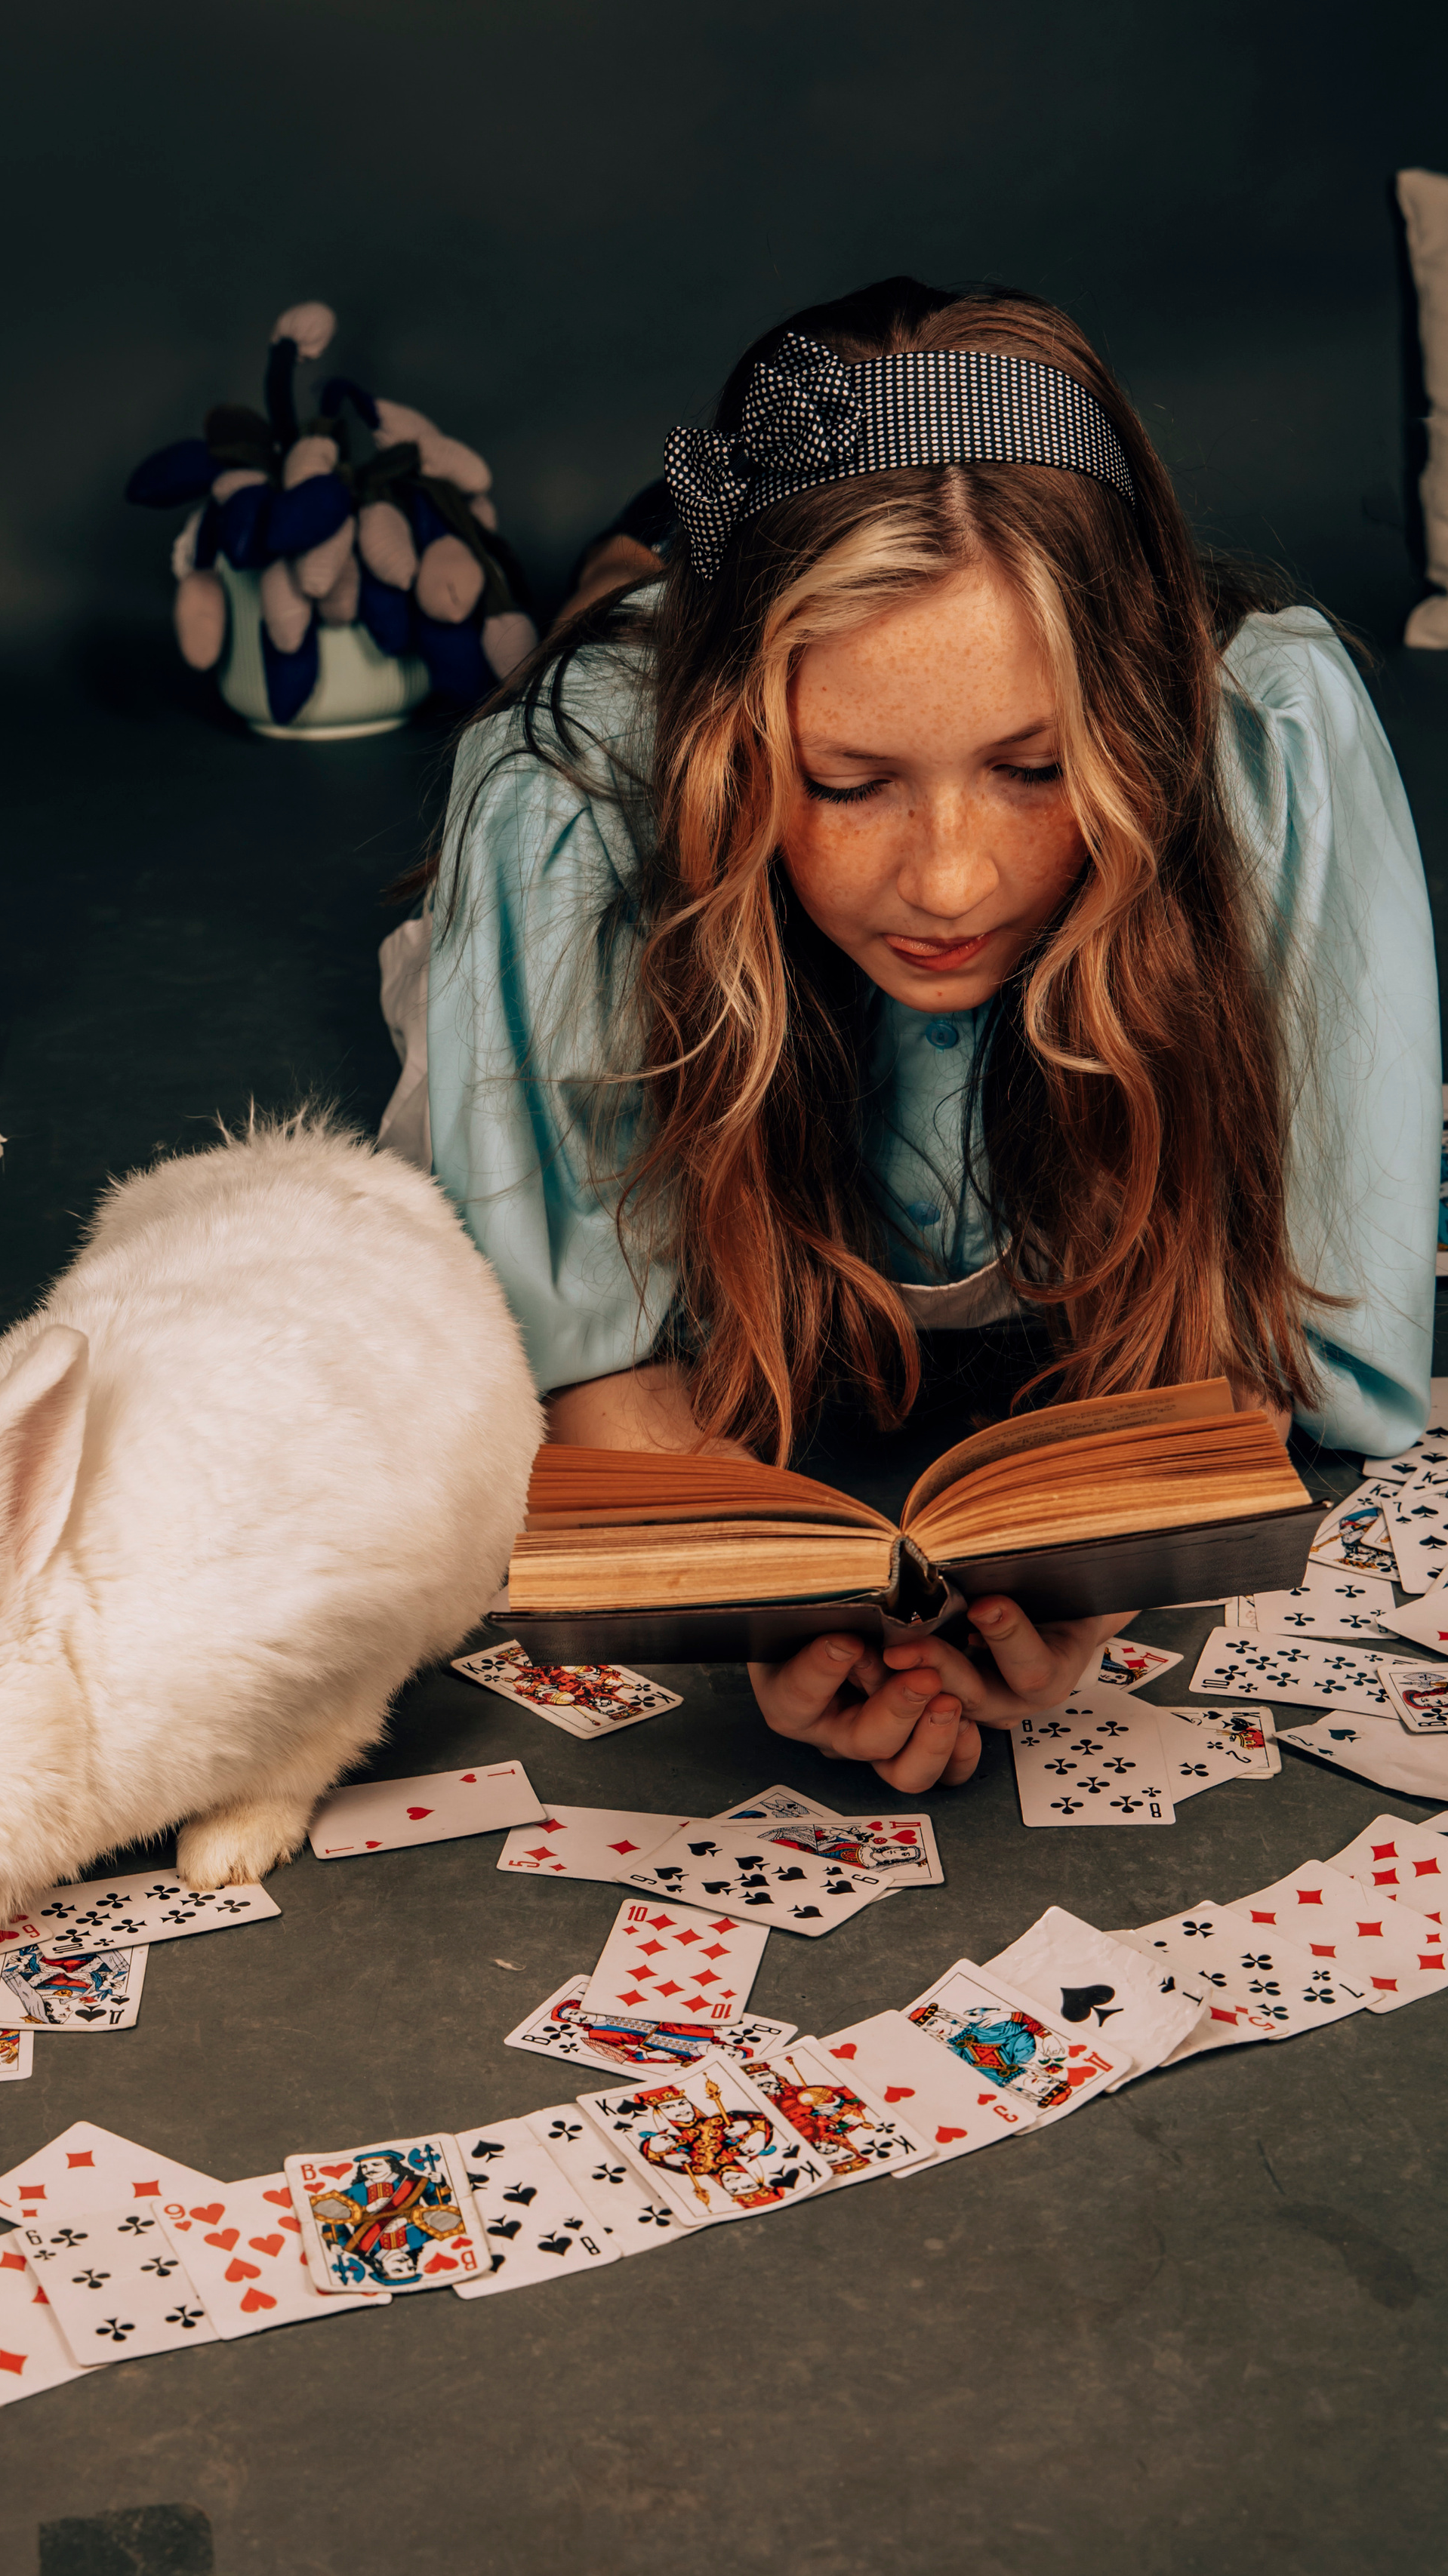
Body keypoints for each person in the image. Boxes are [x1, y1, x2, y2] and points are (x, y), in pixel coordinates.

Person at [382, 276, 1439, 1796]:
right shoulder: (573, 806)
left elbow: (1276, 1339)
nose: (946, 881)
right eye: (845, 779)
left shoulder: (1262, 749)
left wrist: (1090, 1578)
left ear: (1132, 726)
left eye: (1029, 766)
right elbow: (596, 1371)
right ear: (739, 751)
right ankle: (634, 571)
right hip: (637, 768)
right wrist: (763, 1604)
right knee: (582, 673)